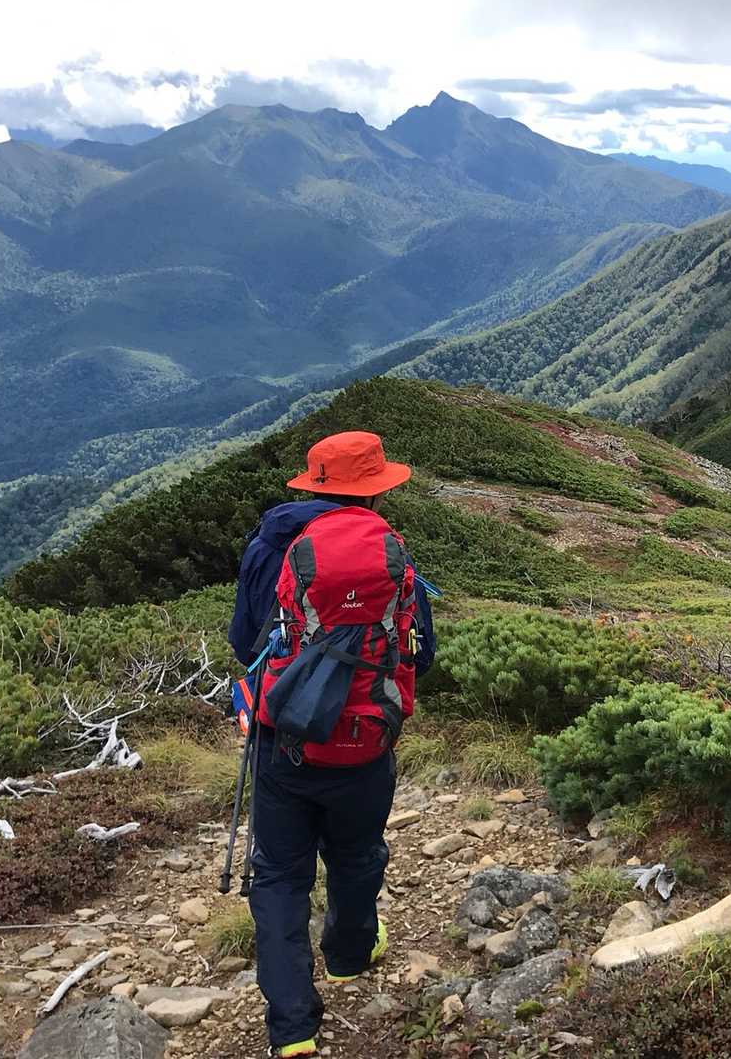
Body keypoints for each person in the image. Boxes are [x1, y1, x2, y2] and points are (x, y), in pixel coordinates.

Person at [228, 431, 434, 1059]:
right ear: (374, 489)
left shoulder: (270, 547)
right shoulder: (391, 554)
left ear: (313, 483)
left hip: (284, 739)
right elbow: (421, 654)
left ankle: (293, 1029)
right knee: (357, 852)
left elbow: (244, 642)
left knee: (279, 875)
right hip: (368, 737)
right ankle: (349, 956)